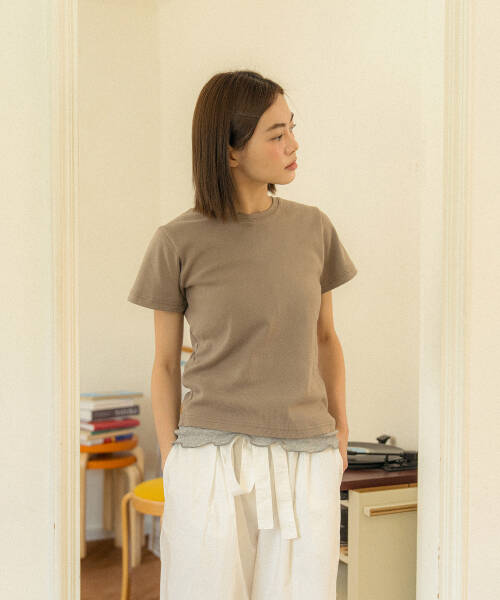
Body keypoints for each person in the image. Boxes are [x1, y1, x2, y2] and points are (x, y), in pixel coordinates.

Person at [127, 70, 357, 600]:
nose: (293, 144)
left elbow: (326, 339)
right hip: (211, 458)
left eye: (292, 128)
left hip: (307, 454)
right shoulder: (176, 241)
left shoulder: (314, 229)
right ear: (231, 151)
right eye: (276, 134)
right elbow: (164, 363)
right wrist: (174, 459)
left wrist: (341, 434)